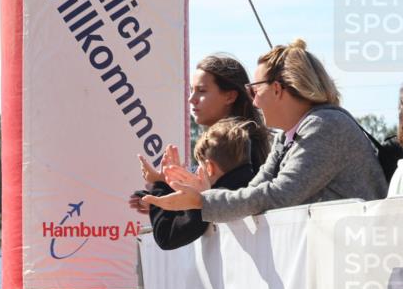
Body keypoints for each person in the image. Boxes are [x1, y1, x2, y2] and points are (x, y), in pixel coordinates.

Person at [145, 39, 388, 219]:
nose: (253, 101)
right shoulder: (289, 135)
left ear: (277, 89)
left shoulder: (325, 125)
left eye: (254, 90)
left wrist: (202, 200)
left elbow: (279, 196)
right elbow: (254, 191)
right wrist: (203, 195)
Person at [130, 54, 271, 216]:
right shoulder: (238, 141)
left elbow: (218, 207)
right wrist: (161, 198)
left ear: (230, 96)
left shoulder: (244, 142)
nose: (191, 99)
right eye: (191, 90)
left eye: (201, 91)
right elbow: (208, 205)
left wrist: (161, 188)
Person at [149, 120, 258, 249]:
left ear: (209, 168)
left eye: (199, 166)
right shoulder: (260, 189)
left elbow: (166, 237)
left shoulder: (214, 201)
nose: (196, 171)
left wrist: (162, 184)